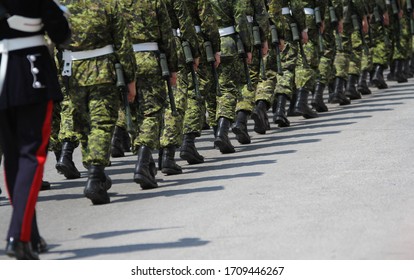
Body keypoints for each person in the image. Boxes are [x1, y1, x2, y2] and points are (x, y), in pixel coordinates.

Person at [0, 0, 71, 259]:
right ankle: (18, 235)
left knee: (13, 157)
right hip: (29, 72)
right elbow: (60, 32)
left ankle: (29, 232)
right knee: (31, 155)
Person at [58, 0, 136, 205]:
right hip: (103, 71)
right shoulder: (107, 4)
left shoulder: (60, 6)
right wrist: (130, 78)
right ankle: (95, 176)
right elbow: (123, 43)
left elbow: (51, 40)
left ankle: (96, 172)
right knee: (101, 124)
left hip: (73, 72)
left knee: (84, 125)